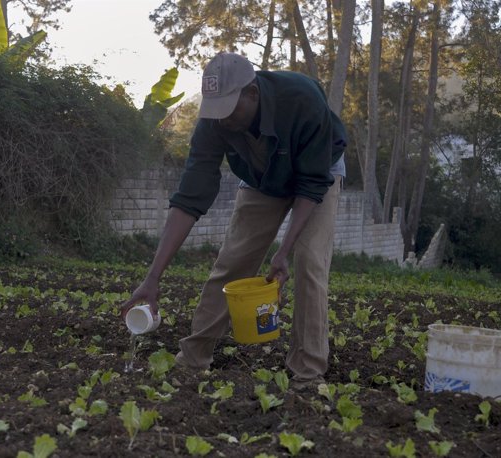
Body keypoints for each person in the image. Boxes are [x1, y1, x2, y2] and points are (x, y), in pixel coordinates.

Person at [122, 52, 347, 390]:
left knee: (310, 262)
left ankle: (308, 372)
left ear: (252, 93)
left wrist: (283, 251)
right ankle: (194, 357)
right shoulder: (215, 121)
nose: (222, 120)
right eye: (215, 111)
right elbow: (189, 198)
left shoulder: (301, 98)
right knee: (233, 261)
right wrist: (153, 277)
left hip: (317, 175)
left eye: (229, 109)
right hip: (262, 178)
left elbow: (312, 184)